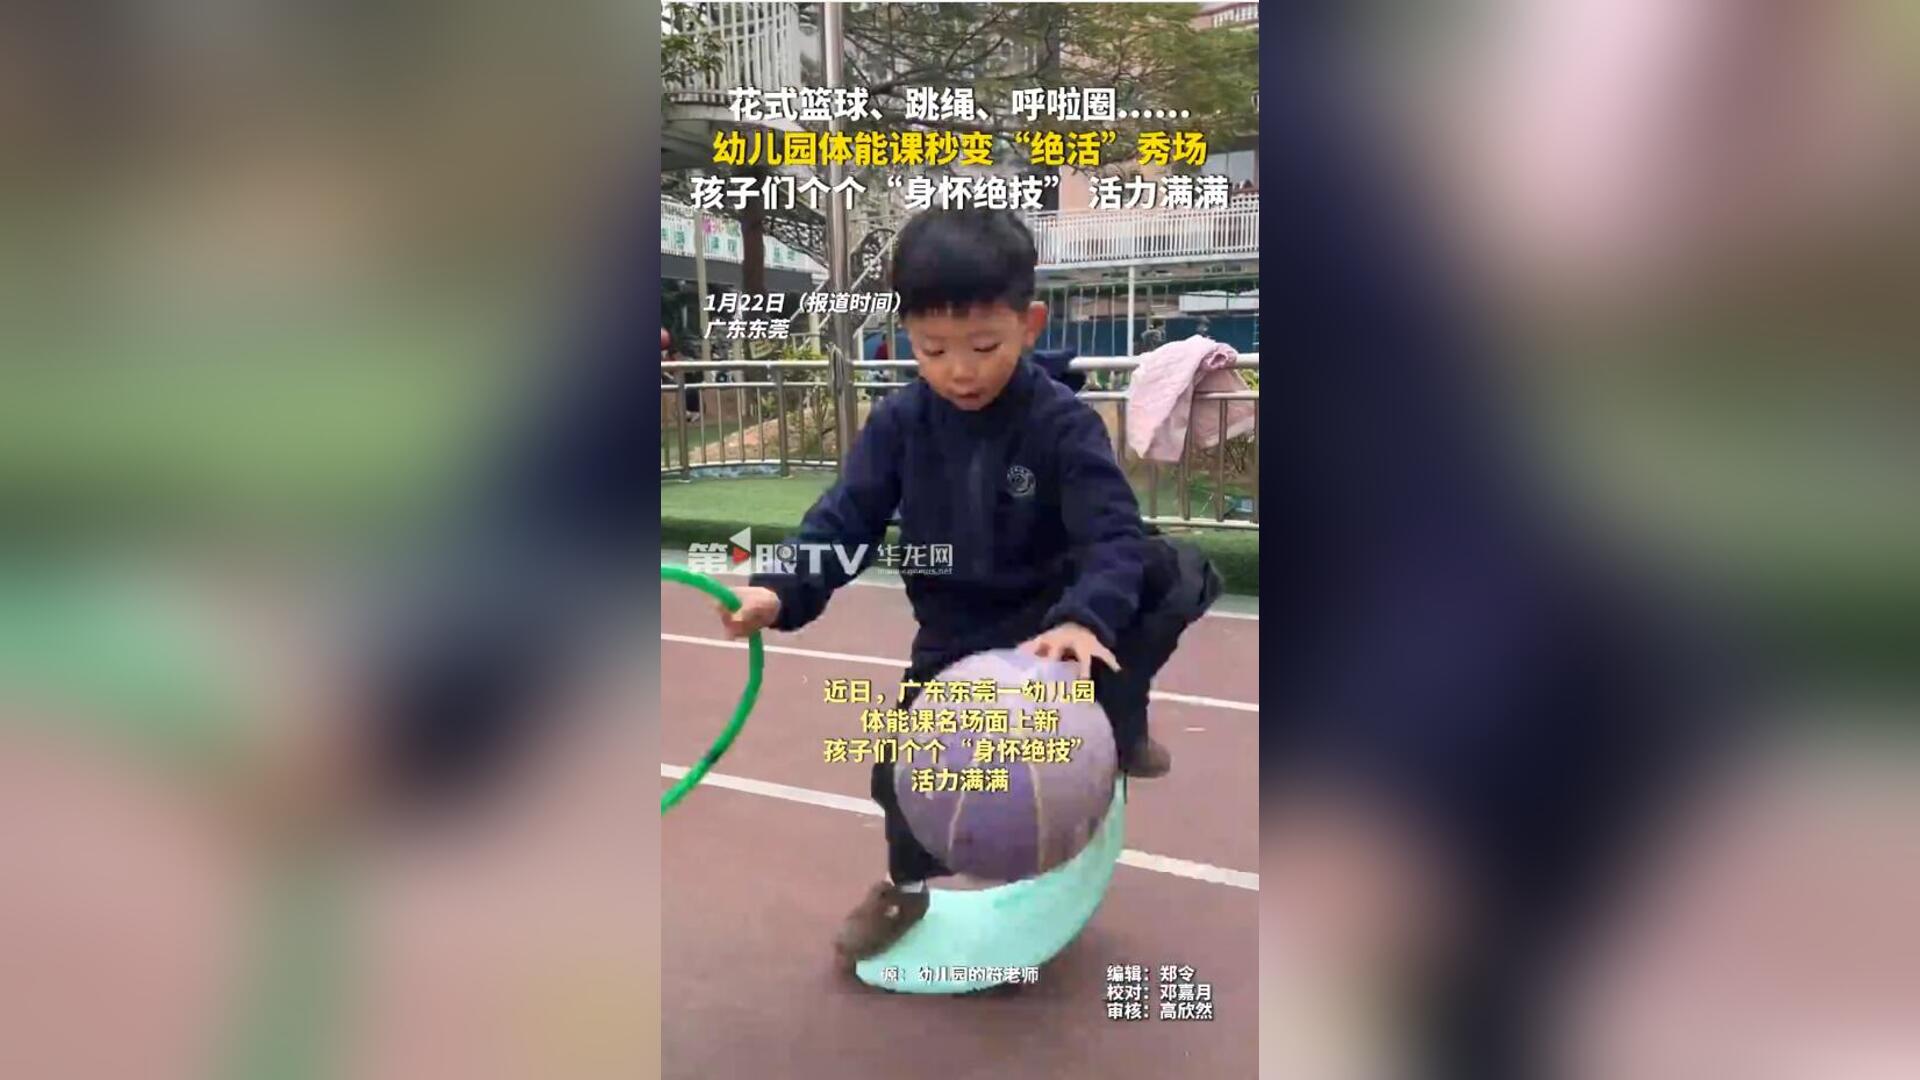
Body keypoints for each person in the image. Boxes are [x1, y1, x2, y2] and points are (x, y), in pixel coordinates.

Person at [713, 207, 1222, 964]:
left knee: (1172, 570)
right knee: (899, 769)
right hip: (956, 632)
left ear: (1030, 325)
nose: (960, 370)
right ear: (907, 336)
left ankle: (1121, 718)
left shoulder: (1062, 423)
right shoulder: (900, 424)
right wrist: (780, 589)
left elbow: (1110, 534)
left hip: (1053, 623)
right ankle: (905, 889)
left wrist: (1083, 620)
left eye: (984, 346)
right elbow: (845, 518)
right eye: (933, 349)